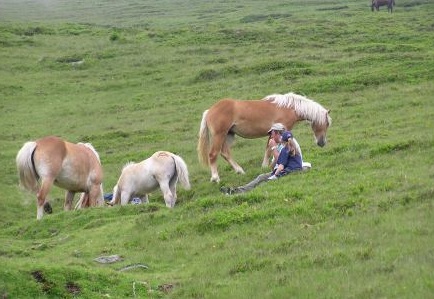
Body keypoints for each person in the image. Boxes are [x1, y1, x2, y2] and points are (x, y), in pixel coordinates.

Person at [220, 130, 303, 195]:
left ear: (279, 136)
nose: (271, 136)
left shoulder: (285, 149)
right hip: (289, 170)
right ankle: (238, 190)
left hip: (285, 172)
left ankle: (236, 192)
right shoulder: (295, 147)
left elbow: (280, 165)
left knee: (263, 181)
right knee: (261, 177)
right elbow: (274, 165)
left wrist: (274, 175)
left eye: (272, 134)